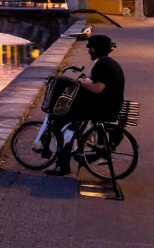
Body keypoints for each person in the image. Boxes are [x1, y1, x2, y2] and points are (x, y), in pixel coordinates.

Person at [46, 33, 125, 176]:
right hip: (110, 105)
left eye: (91, 48)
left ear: (96, 49)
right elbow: (99, 84)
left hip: (103, 109)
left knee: (60, 121)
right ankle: (73, 152)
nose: (89, 50)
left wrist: (80, 82)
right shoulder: (110, 63)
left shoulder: (102, 65)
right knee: (71, 122)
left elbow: (98, 88)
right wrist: (85, 80)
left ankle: (63, 165)